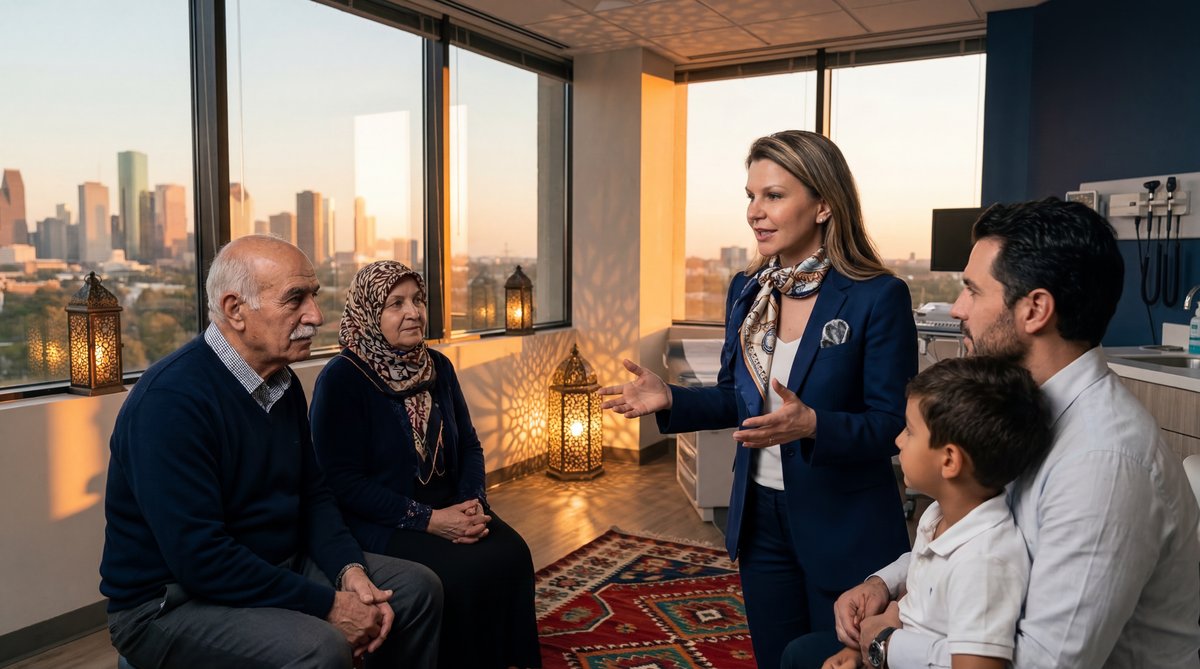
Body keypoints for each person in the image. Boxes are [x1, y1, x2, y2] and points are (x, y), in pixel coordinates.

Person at [834, 198, 1200, 668]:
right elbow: (976, 534)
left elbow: (1045, 663)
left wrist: (884, 645)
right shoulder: (1021, 409)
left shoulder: (1102, 462)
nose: (959, 309)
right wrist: (883, 585)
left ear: (1035, 310)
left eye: (972, 290)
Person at [599, 130, 917, 668]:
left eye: (773, 195)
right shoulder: (749, 291)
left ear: (822, 204)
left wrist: (814, 424)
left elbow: (892, 424)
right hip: (760, 519)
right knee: (777, 658)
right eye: (750, 196)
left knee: (833, 659)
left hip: (843, 522)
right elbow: (734, 399)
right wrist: (668, 398)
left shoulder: (876, 296)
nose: (755, 212)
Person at [100, 235, 443, 669]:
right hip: (171, 604)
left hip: (276, 564)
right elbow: (202, 561)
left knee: (418, 588)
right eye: (295, 299)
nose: (315, 316)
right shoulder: (170, 402)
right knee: (321, 647)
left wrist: (349, 571)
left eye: (314, 297)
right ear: (234, 310)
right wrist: (331, 606)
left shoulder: (282, 385)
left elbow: (315, 495)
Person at [309, 260, 541, 669]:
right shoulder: (342, 379)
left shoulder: (438, 367)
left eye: (417, 300)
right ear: (368, 313)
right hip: (383, 519)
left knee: (513, 553)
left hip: (452, 504)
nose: (413, 312)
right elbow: (341, 482)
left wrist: (473, 502)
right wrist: (429, 519)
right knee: (460, 575)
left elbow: (469, 445)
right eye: (396, 304)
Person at [801, 356, 1052, 669]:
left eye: (909, 431)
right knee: (799, 653)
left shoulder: (985, 562)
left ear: (949, 461)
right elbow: (913, 610)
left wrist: (880, 647)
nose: (898, 439)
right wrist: (860, 652)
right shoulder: (939, 516)